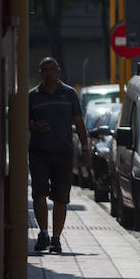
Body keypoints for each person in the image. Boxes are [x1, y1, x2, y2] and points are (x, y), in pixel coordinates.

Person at [29, 57, 90, 254]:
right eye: (44, 69)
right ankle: (43, 233)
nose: (48, 73)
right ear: (40, 72)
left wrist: (85, 148)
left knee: (61, 197)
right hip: (39, 152)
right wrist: (34, 126)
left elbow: (79, 122)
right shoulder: (33, 96)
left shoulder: (69, 93)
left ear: (58, 71)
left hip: (64, 153)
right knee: (39, 193)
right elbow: (21, 122)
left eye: (51, 69)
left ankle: (56, 238)